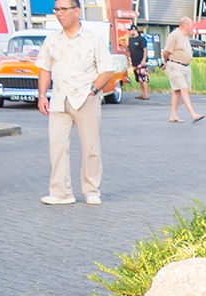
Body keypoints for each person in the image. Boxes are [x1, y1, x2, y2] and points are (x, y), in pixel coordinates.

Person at [35, 0, 116, 205]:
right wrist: (42, 95)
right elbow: (44, 67)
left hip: (85, 98)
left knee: (91, 146)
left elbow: (107, 69)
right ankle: (61, 192)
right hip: (59, 98)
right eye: (57, 10)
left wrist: (92, 90)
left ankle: (91, 190)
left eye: (64, 9)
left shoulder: (92, 39)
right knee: (57, 146)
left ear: (76, 11)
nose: (59, 14)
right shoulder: (52, 39)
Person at [163, 18, 203, 122]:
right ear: (185, 25)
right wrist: (165, 62)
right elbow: (166, 51)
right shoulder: (174, 35)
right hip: (175, 65)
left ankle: (173, 115)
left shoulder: (185, 36)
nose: (192, 28)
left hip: (185, 66)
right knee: (183, 88)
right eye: (191, 25)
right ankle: (193, 114)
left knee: (177, 91)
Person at [126, 24, 149, 100]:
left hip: (141, 61)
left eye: (130, 30)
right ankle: (142, 93)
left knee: (143, 78)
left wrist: (143, 60)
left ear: (134, 30)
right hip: (134, 62)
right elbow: (129, 49)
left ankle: (146, 94)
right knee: (139, 79)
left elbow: (145, 50)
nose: (129, 32)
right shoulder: (130, 39)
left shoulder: (141, 39)